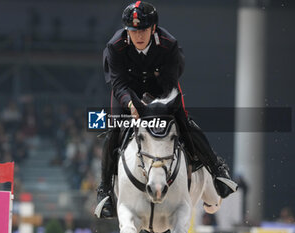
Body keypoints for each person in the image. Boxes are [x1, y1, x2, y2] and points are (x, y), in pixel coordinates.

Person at [96, 1, 238, 218]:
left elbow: (170, 82)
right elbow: (118, 84)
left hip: (163, 91)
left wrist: (156, 108)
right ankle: (104, 191)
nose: (138, 36)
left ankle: (217, 169)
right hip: (128, 94)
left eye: (143, 30)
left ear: (153, 28)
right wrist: (132, 104)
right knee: (114, 129)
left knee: (184, 122)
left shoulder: (168, 44)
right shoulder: (115, 46)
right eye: (133, 31)